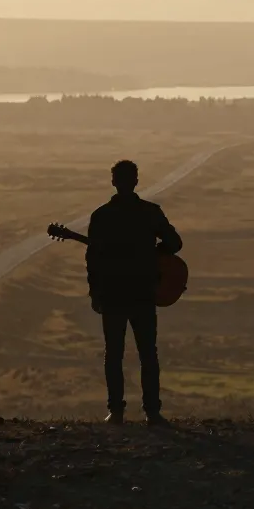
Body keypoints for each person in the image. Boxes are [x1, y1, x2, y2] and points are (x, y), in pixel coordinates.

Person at [85, 159, 183, 426]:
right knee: (147, 354)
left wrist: (95, 293)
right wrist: (154, 254)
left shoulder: (101, 216)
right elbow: (175, 243)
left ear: (113, 182)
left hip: (114, 294)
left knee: (114, 354)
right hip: (143, 292)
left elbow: (93, 261)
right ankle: (152, 411)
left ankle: (116, 411)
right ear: (136, 181)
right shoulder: (150, 212)